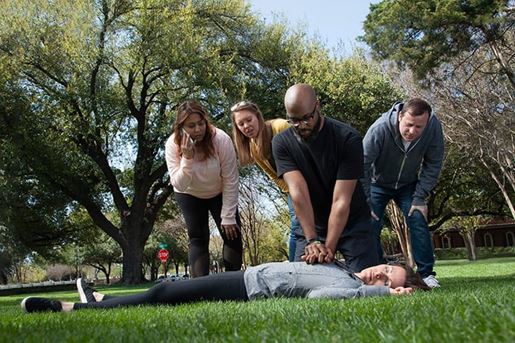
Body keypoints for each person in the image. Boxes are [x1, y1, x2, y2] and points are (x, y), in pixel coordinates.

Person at [20, 261, 431, 313]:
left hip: (248, 286)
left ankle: (70, 308)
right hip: (249, 277)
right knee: (166, 290)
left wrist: (376, 294)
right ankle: (104, 298)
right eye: (386, 271)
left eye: (385, 281)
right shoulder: (343, 265)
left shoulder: (350, 287)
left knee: (164, 294)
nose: (378, 276)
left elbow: (317, 297)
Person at [271, 83, 378, 271]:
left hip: (352, 221)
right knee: (302, 282)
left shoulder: (347, 138)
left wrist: (328, 248)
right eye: (294, 120)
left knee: (367, 279)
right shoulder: (281, 143)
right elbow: (298, 193)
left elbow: (341, 201)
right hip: (311, 225)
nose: (301, 126)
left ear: (318, 106)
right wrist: (312, 240)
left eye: (307, 118)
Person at [361, 98, 444, 288]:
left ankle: (426, 274)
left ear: (428, 122)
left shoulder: (433, 128)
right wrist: (365, 201)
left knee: (417, 217)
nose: (413, 131)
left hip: (408, 184)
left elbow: (434, 163)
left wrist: (420, 196)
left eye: (419, 127)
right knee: (371, 222)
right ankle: (375, 272)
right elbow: (362, 165)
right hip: (377, 183)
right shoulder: (380, 128)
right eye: (409, 125)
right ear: (400, 117)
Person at [165, 100, 243, 277]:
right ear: (181, 127)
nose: (198, 129)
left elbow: (231, 178)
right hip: (189, 193)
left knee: (232, 234)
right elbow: (179, 183)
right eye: (191, 126)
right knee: (198, 238)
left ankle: (232, 284)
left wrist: (228, 216)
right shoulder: (172, 144)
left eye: (201, 123)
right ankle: (201, 289)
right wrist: (187, 157)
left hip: (219, 191)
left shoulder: (220, 139)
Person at [230, 101, 299, 261]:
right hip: (293, 191)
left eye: (249, 120)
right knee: (297, 226)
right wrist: (291, 191)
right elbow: (272, 174)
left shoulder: (280, 127)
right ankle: (293, 268)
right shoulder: (253, 148)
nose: (246, 126)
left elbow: (305, 154)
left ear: (258, 117)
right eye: (241, 124)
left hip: (311, 182)